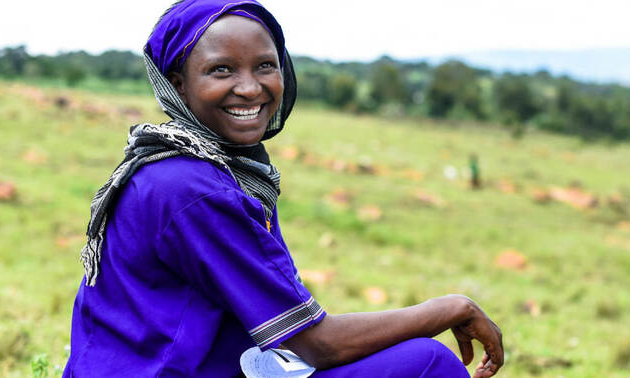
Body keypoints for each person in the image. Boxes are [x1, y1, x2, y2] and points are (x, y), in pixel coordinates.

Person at [63, 1, 504, 377]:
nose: (251, 87)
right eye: (221, 70)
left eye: (265, 66)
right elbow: (317, 344)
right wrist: (451, 308)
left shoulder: (181, 167)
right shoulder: (195, 190)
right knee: (426, 363)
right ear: (178, 84)